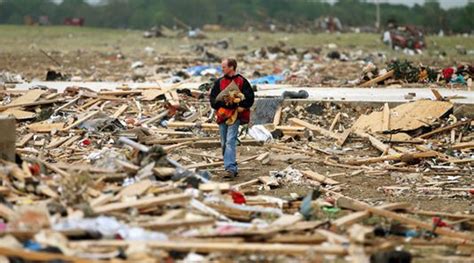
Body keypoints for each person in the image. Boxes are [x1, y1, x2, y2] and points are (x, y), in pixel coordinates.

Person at [209, 58, 254, 178]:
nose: (222, 69)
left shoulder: (242, 81)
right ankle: (230, 165)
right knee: (224, 142)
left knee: (230, 141)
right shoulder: (219, 82)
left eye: (223, 67)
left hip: (235, 116)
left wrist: (242, 106)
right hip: (223, 115)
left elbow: (250, 98)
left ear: (231, 67)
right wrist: (223, 103)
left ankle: (231, 168)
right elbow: (213, 99)